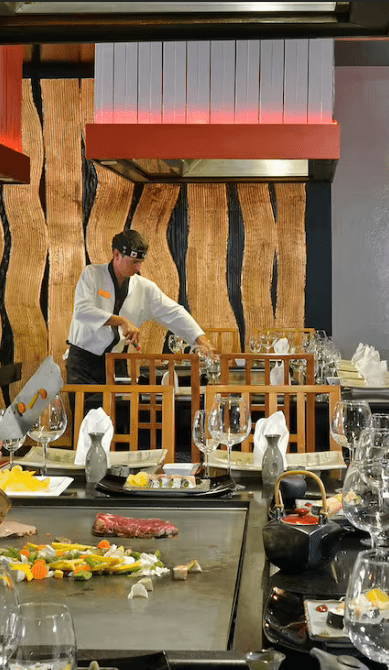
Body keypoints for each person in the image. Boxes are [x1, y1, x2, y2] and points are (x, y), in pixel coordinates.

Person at [66, 229, 214, 384]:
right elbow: (82, 311)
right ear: (117, 255)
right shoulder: (92, 275)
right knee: (86, 409)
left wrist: (199, 339)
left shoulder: (145, 288)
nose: (138, 268)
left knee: (119, 408)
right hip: (83, 364)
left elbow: (174, 313)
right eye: (134, 262)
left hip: (117, 363)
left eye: (140, 263)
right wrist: (122, 321)